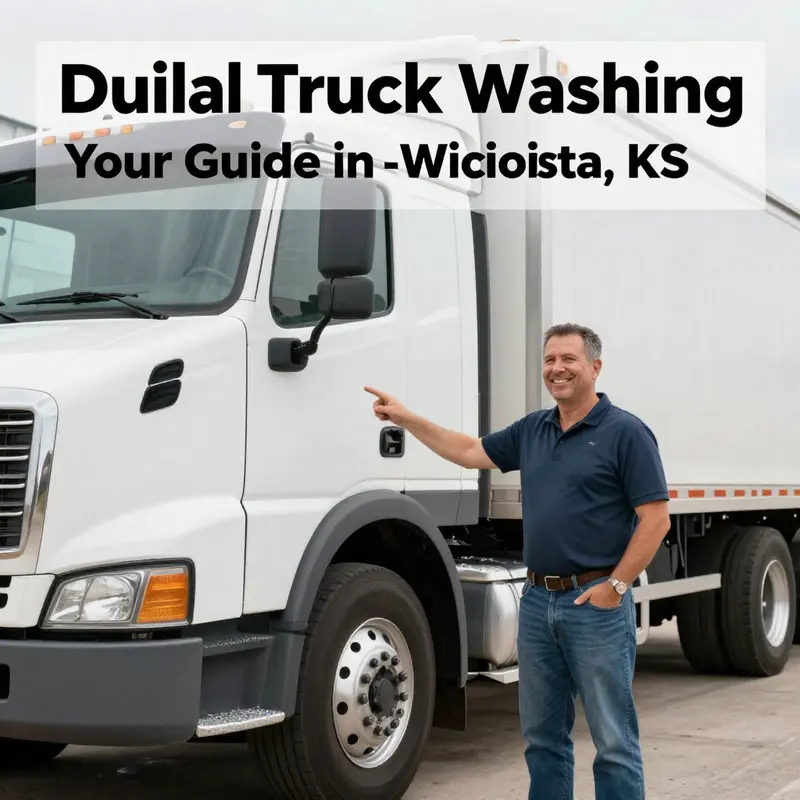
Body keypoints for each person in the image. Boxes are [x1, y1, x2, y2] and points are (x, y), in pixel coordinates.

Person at [364, 322, 671, 800]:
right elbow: (468, 451)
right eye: (549, 360)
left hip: (595, 607)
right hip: (536, 603)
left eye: (568, 359)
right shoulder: (534, 429)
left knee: (613, 741)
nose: (556, 369)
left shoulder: (625, 433)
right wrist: (407, 419)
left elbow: (655, 520)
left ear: (595, 367)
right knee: (543, 741)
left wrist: (616, 586)